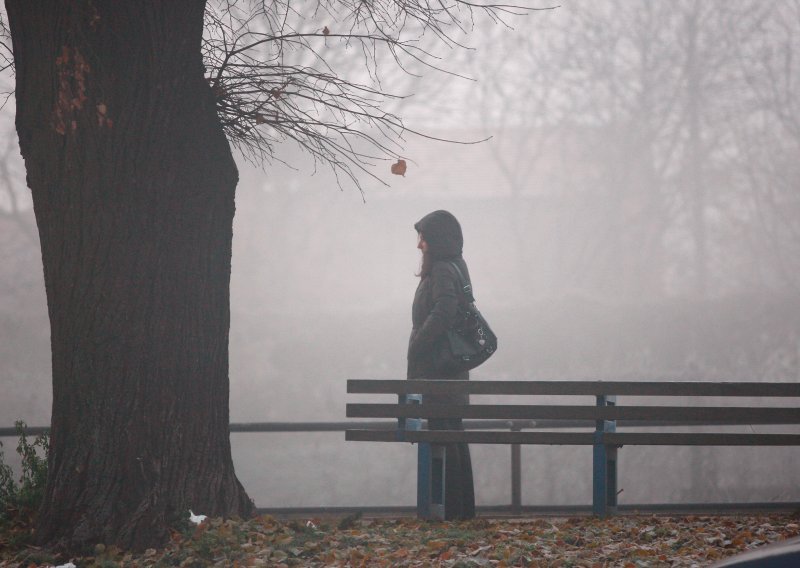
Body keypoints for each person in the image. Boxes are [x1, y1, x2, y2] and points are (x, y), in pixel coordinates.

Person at [407, 209, 476, 520]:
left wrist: (419, 343)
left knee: (444, 436)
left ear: (435, 240)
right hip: (449, 372)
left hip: (440, 371)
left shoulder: (443, 271)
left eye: (423, 238)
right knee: (451, 436)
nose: (419, 245)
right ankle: (456, 510)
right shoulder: (451, 267)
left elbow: (445, 309)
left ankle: (446, 510)